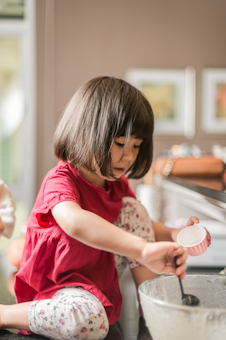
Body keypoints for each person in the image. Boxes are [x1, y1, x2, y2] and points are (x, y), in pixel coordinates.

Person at [0, 76, 206, 340]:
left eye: (136, 146)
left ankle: (150, 308)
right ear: (87, 134)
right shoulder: (60, 179)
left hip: (95, 277)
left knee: (132, 209)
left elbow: (140, 224)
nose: (129, 156)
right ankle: (5, 313)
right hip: (56, 288)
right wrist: (143, 249)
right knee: (89, 322)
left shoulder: (116, 184)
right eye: (121, 144)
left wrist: (174, 234)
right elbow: (74, 221)